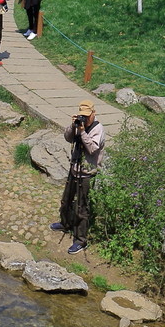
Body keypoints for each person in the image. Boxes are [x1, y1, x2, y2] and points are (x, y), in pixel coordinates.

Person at [50, 100, 105, 254]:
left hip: (87, 173)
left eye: (87, 116)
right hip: (74, 169)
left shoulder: (98, 129)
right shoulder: (79, 124)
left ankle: (81, 240)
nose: (85, 119)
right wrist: (72, 126)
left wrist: (82, 132)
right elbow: (68, 138)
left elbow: (93, 149)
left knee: (82, 208)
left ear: (93, 113)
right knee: (66, 199)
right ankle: (65, 223)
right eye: (83, 116)